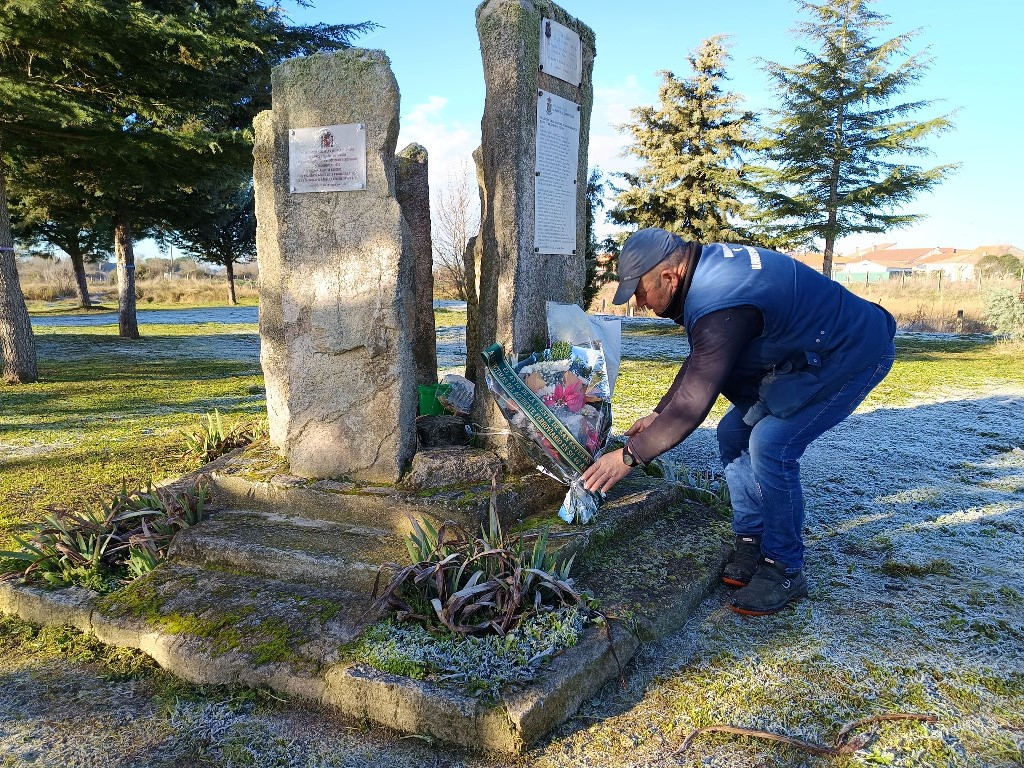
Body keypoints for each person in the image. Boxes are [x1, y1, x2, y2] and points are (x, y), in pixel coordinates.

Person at [580, 228, 896, 616]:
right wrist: (660, 413)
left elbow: (696, 399)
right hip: (811, 353)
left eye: (640, 291)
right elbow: (703, 359)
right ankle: (752, 537)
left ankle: (784, 567)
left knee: (772, 444)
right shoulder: (705, 276)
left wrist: (628, 457)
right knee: (733, 433)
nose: (639, 302)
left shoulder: (721, 298)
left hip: (853, 352)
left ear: (669, 277)